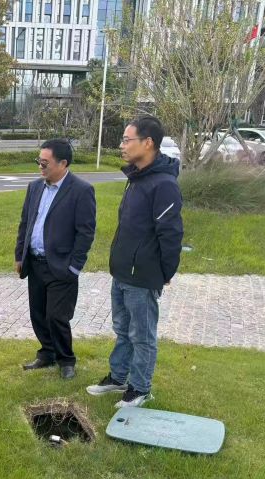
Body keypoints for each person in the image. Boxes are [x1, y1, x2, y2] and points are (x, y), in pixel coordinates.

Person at [86, 116, 183, 408]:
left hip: (143, 276)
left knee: (142, 335)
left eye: (127, 140)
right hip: (122, 272)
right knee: (122, 329)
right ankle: (119, 378)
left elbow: (171, 233)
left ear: (148, 143)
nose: (122, 145)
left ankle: (140, 388)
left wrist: (164, 272)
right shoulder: (136, 178)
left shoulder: (163, 184)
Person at [15, 138, 96, 380]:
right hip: (35, 262)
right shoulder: (34, 187)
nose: (40, 166)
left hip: (61, 267)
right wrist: (20, 255)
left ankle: (66, 360)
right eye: (39, 161)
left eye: (45, 163)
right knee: (38, 313)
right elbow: (25, 223)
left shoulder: (81, 190)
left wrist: (74, 267)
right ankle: (47, 353)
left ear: (63, 163)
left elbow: (85, 233)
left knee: (57, 316)